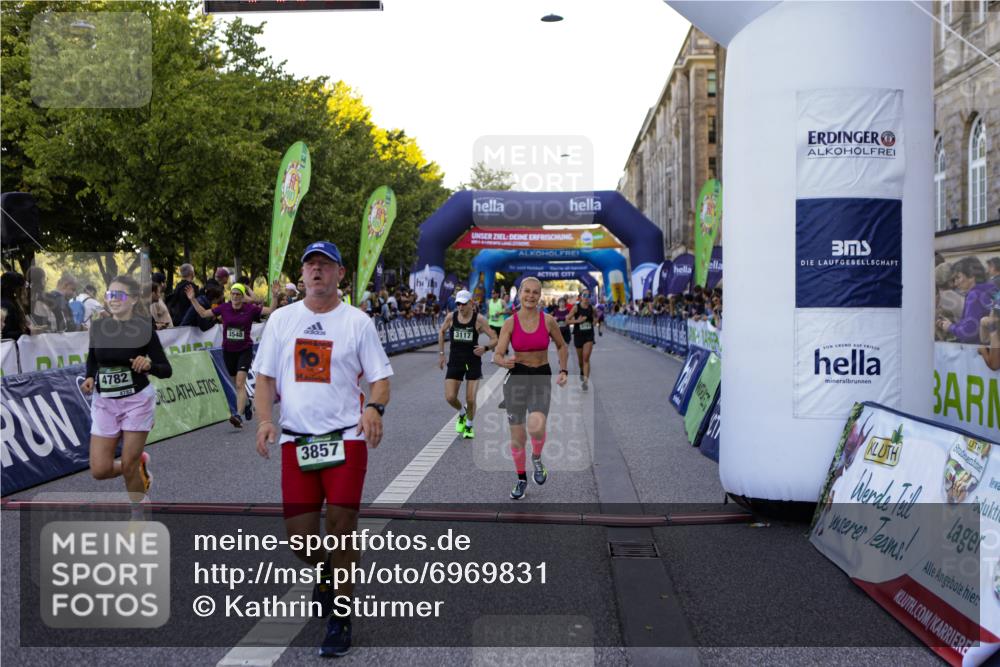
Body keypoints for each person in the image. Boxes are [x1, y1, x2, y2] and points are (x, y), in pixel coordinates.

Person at [253, 241, 392, 657]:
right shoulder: (281, 320)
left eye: (325, 266)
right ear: (302, 274)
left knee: (342, 527)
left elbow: (381, 378)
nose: (317, 272)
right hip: (297, 441)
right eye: (310, 265)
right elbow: (264, 378)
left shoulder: (357, 322)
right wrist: (263, 420)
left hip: (345, 440)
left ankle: (341, 618)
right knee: (301, 544)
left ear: (340, 274)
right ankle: (328, 571)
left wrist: (374, 406)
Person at [81, 275, 172, 510]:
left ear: (132, 300)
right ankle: (139, 463)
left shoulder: (144, 329)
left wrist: (149, 364)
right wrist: (91, 376)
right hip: (105, 402)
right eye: (110, 294)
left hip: (136, 401)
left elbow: (166, 369)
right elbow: (93, 359)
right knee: (99, 470)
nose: (113, 299)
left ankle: (139, 514)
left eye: (119, 295)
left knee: (128, 464)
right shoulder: (99, 326)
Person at [492, 277, 569, 500]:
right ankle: (521, 479)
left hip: (540, 376)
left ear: (540, 295)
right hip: (517, 378)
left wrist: (563, 370)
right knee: (517, 438)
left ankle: (536, 458)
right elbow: (498, 353)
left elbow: (562, 345)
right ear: (520, 294)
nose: (531, 296)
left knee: (536, 426)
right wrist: (502, 361)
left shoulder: (548, 321)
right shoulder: (510, 322)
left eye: (535, 292)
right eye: (527, 291)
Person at [187, 281, 279, 427]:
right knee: (236, 383)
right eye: (233, 294)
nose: (235, 297)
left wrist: (275, 296)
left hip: (244, 350)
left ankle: (238, 414)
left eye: (238, 294)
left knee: (239, 383)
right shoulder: (224, 308)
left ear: (243, 297)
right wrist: (192, 299)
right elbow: (204, 314)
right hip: (228, 351)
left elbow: (271, 310)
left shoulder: (250, 309)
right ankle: (247, 403)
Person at [438, 289, 498, 440]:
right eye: (458, 303)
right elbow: (441, 332)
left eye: (463, 304)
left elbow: (494, 338)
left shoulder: (479, 320)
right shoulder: (451, 317)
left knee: (471, 399)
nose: (460, 307)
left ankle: (469, 426)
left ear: (471, 303)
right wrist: (441, 354)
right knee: (450, 397)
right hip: (455, 360)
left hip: (473, 361)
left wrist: (485, 348)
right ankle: (462, 413)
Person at [937, 257, 995, 344]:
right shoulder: (993, 290)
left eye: (958, 277)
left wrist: (950, 327)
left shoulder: (974, 295)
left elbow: (968, 333)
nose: (956, 283)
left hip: (979, 352)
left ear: (971, 276)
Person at [566, 290, 597, 391]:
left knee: (586, 359)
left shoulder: (592, 308)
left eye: (588, 295)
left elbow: (596, 317)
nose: (587, 297)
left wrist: (594, 322)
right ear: (581, 297)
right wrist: (577, 321)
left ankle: (585, 382)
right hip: (578, 336)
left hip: (589, 335)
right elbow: (567, 320)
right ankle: (581, 370)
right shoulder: (576, 308)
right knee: (580, 361)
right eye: (585, 295)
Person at [1, 272, 30, 340]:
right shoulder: (6, 305)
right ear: (15, 289)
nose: (25, 291)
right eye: (22, 288)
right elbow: (4, 334)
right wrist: (26, 332)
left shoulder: (11, 302)